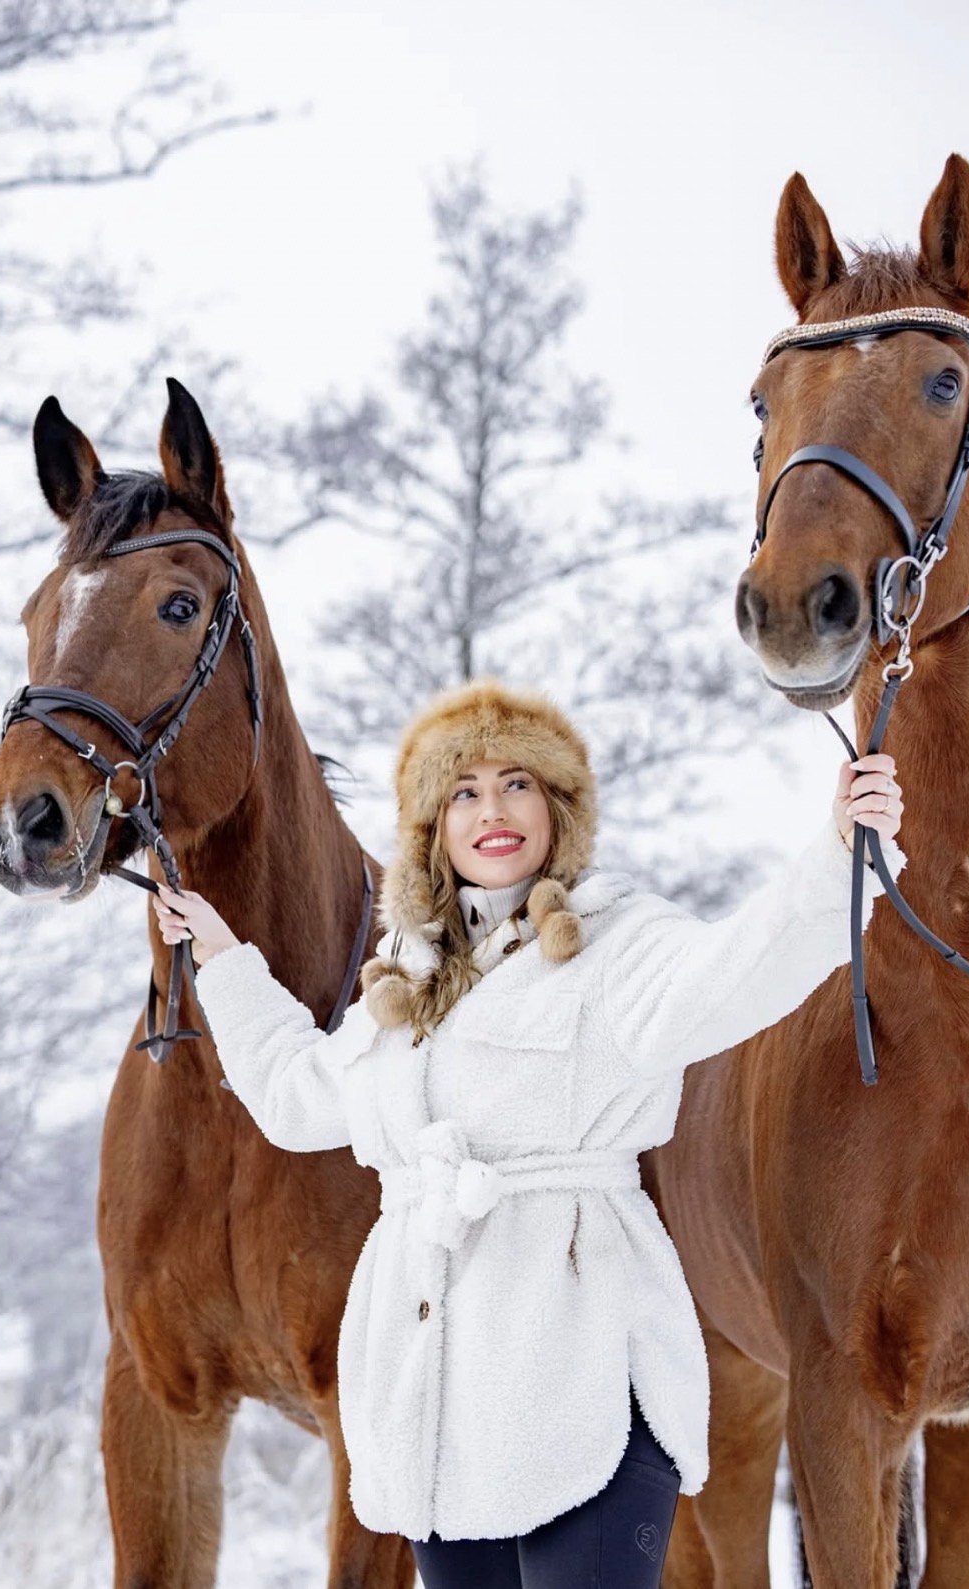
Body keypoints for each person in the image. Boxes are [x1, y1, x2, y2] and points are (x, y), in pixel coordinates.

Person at [153, 676, 905, 1588]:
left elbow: (734, 972)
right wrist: (224, 961)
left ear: (558, 809)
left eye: (518, 783)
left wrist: (836, 856)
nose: (492, 810)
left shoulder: (614, 941)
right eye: (462, 793)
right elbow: (294, 1095)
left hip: (585, 1386)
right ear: (433, 831)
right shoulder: (406, 982)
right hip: (442, 1410)